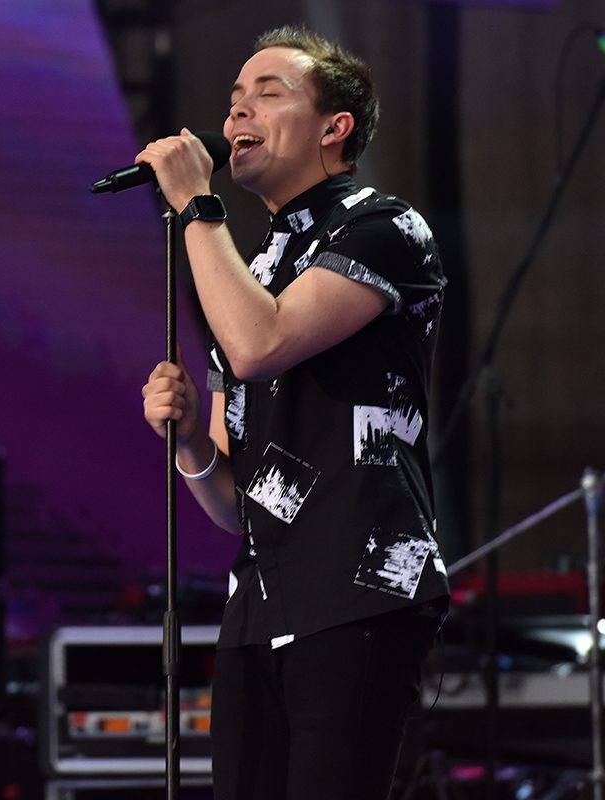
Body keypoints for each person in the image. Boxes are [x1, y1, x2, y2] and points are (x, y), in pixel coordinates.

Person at [139, 26, 450, 800]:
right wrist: (188, 441)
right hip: (260, 602)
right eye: (233, 99)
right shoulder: (254, 270)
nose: (237, 112)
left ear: (333, 128)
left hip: (359, 585)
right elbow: (234, 504)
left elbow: (259, 344)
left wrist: (196, 203)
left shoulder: (384, 226)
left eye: (267, 94)